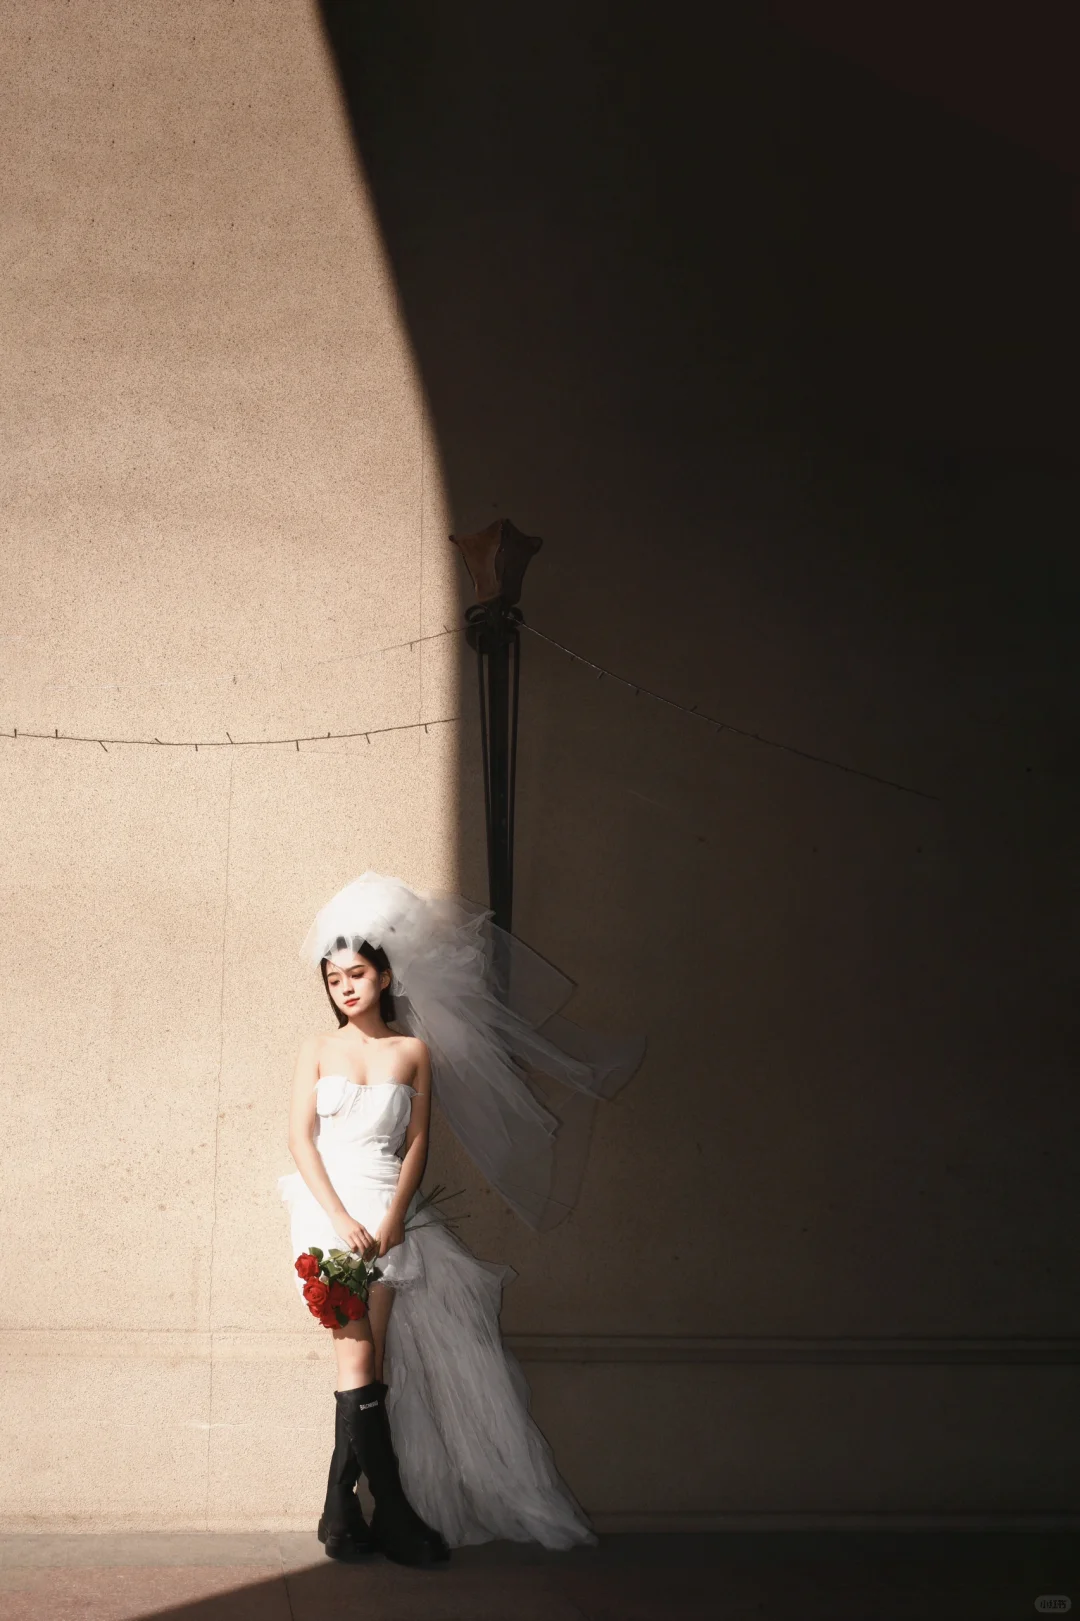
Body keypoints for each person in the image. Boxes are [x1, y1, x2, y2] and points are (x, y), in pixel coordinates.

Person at [278, 872, 646, 1567]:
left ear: (384, 975)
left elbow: (417, 1142)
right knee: (356, 1359)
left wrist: (390, 1219)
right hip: (330, 1213)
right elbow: (300, 1140)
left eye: (357, 974)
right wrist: (340, 1218)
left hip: (391, 1215)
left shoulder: (411, 1052)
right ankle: (392, 1516)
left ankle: (337, 1517)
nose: (345, 988)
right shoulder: (316, 1051)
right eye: (334, 979)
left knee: (372, 1366)